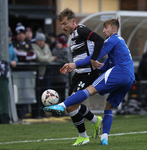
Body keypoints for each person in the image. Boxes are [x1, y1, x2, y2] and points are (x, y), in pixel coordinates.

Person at [43, 18, 135, 145]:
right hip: (130, 77)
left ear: (114, 29)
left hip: (120, 71)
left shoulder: (112, 39)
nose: (103, 31)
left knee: (90, 89)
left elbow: (96, 55)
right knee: (108, 106)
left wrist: (76, 64)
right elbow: (106, 66)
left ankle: (61, 105)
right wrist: (99, 66)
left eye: (106, 28)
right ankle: (104, 138)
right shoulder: (120, 42)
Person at [46, 8, 104, 146]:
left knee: (71, 106)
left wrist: (94, 59)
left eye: (65, 23)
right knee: (72, 106)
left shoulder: (81, 30)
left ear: (73, 21)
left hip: (88, 74)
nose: (63, 27)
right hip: (79, 74)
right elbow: (80, 56)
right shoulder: (71, 36)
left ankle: (83, 137)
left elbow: (99, 40)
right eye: (61, 24)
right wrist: (70, 65)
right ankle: (96, 121)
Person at [31, 32, 57, 118]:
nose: (41, 42)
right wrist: (48, 58)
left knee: (45, 94)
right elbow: (40, 58)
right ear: (36, 41)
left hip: (45, 73)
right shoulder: (33, 46)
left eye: (42, 40)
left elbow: (50, 57)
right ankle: (36, 113)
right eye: (39, 40)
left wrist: (46, 58)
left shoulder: (46, 47)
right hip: (36, 74)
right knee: (36, 93)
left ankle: (43, 112)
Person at [51, 37, 71, 103]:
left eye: (59, 43)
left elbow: (67, 60)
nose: (57, 45)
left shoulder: (66, 50)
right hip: (54, 76)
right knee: (54, 95)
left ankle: (62, 109)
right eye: (57, 43)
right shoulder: (54, 50)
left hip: (63, 77)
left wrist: (56, 59)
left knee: (62, 94)